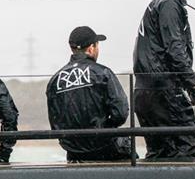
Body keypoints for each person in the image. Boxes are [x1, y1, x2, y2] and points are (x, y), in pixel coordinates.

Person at [133, 0, 195, 159]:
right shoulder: (168, 5)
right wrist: (194, 88)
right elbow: (175, 50)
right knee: (187, 146)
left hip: (145, 92)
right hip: (163, 91)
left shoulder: (159, 2)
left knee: (160, 152)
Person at [46, 27, 132, 162]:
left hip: (73, 152)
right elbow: (121, 113)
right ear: (91, 48)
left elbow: (55, 123)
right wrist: (104, 128)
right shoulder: (103, 73)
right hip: (105, 147)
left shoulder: (55, 80)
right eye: (97, 45)